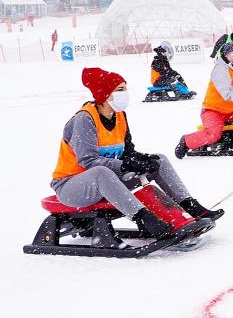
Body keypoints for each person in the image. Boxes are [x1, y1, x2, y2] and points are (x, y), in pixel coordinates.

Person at [51, 68, 223, 240]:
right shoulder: (85, 119)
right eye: (119, 90)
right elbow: (89, 161)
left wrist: (142, 160)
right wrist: (126, 165)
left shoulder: (119, 116)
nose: (125, 94)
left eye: (125, 89)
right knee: (100, 172)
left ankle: (190, 206)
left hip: (108, 181)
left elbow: (127, 152)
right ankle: (146, 219)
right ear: (104, 95)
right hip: (71, 186)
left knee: (159, 159)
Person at [176, 42, 233, 157]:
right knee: (213, 134)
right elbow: (226, 92)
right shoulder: (219, 70)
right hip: (213, 110)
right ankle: (186, 141)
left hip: (232, 110)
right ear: (227, 55)